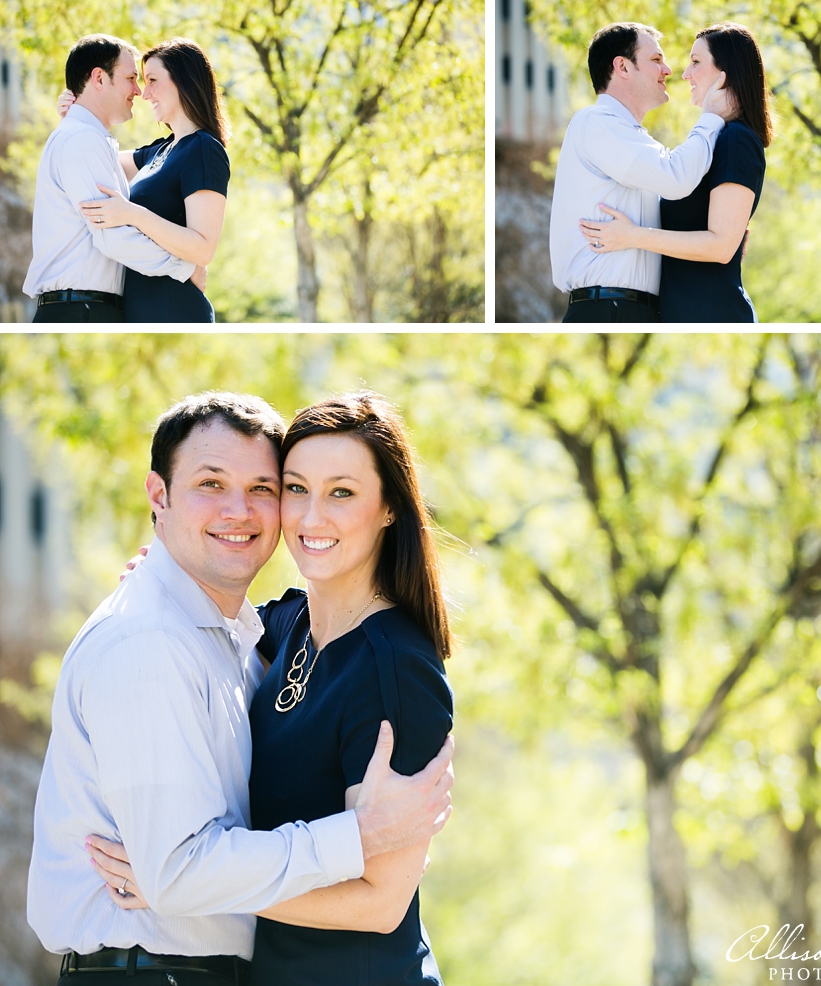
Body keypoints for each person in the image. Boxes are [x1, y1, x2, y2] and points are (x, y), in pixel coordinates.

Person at [28, 392, 454, 986]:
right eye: (297, 489)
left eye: (342, 492)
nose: (308, 517)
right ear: (160, 496)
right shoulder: (278, 629)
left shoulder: (394, 666)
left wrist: (176, 884)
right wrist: (182, 882)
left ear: (390, 508)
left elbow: (382, 904)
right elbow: (194, 607)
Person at [579, 23, 773, 322]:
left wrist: (633, 236)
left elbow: (721, 246)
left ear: (726, 73)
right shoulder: (717, 140)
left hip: (712, 315)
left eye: (696, 62)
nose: (684, 73)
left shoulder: (737, 139)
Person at [550, 21, 736, 323]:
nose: (668, 70)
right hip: (606, 310)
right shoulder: (596, 123)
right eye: (656, 59)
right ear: (622, 67)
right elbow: (677, 178)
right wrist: (711, 118)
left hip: (631, 310)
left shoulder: (632, 139)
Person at [23, 34, 204, 323]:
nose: (138, 91)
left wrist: (74, 116)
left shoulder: (86, 139)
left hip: (85, 308)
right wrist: (184, 267)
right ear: (98, 78)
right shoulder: (81, 140)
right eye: (131, 78)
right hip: (80, 311)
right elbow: (113, 237)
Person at [60, 38, 230, 323]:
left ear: (183, 82)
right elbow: (96, 156)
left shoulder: (204, 150)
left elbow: (203, 248)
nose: (144, 93)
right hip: (138, 313)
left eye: (152, 80)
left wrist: (134, 214)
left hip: (175, 312)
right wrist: (76, 115)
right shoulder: (160, 151)